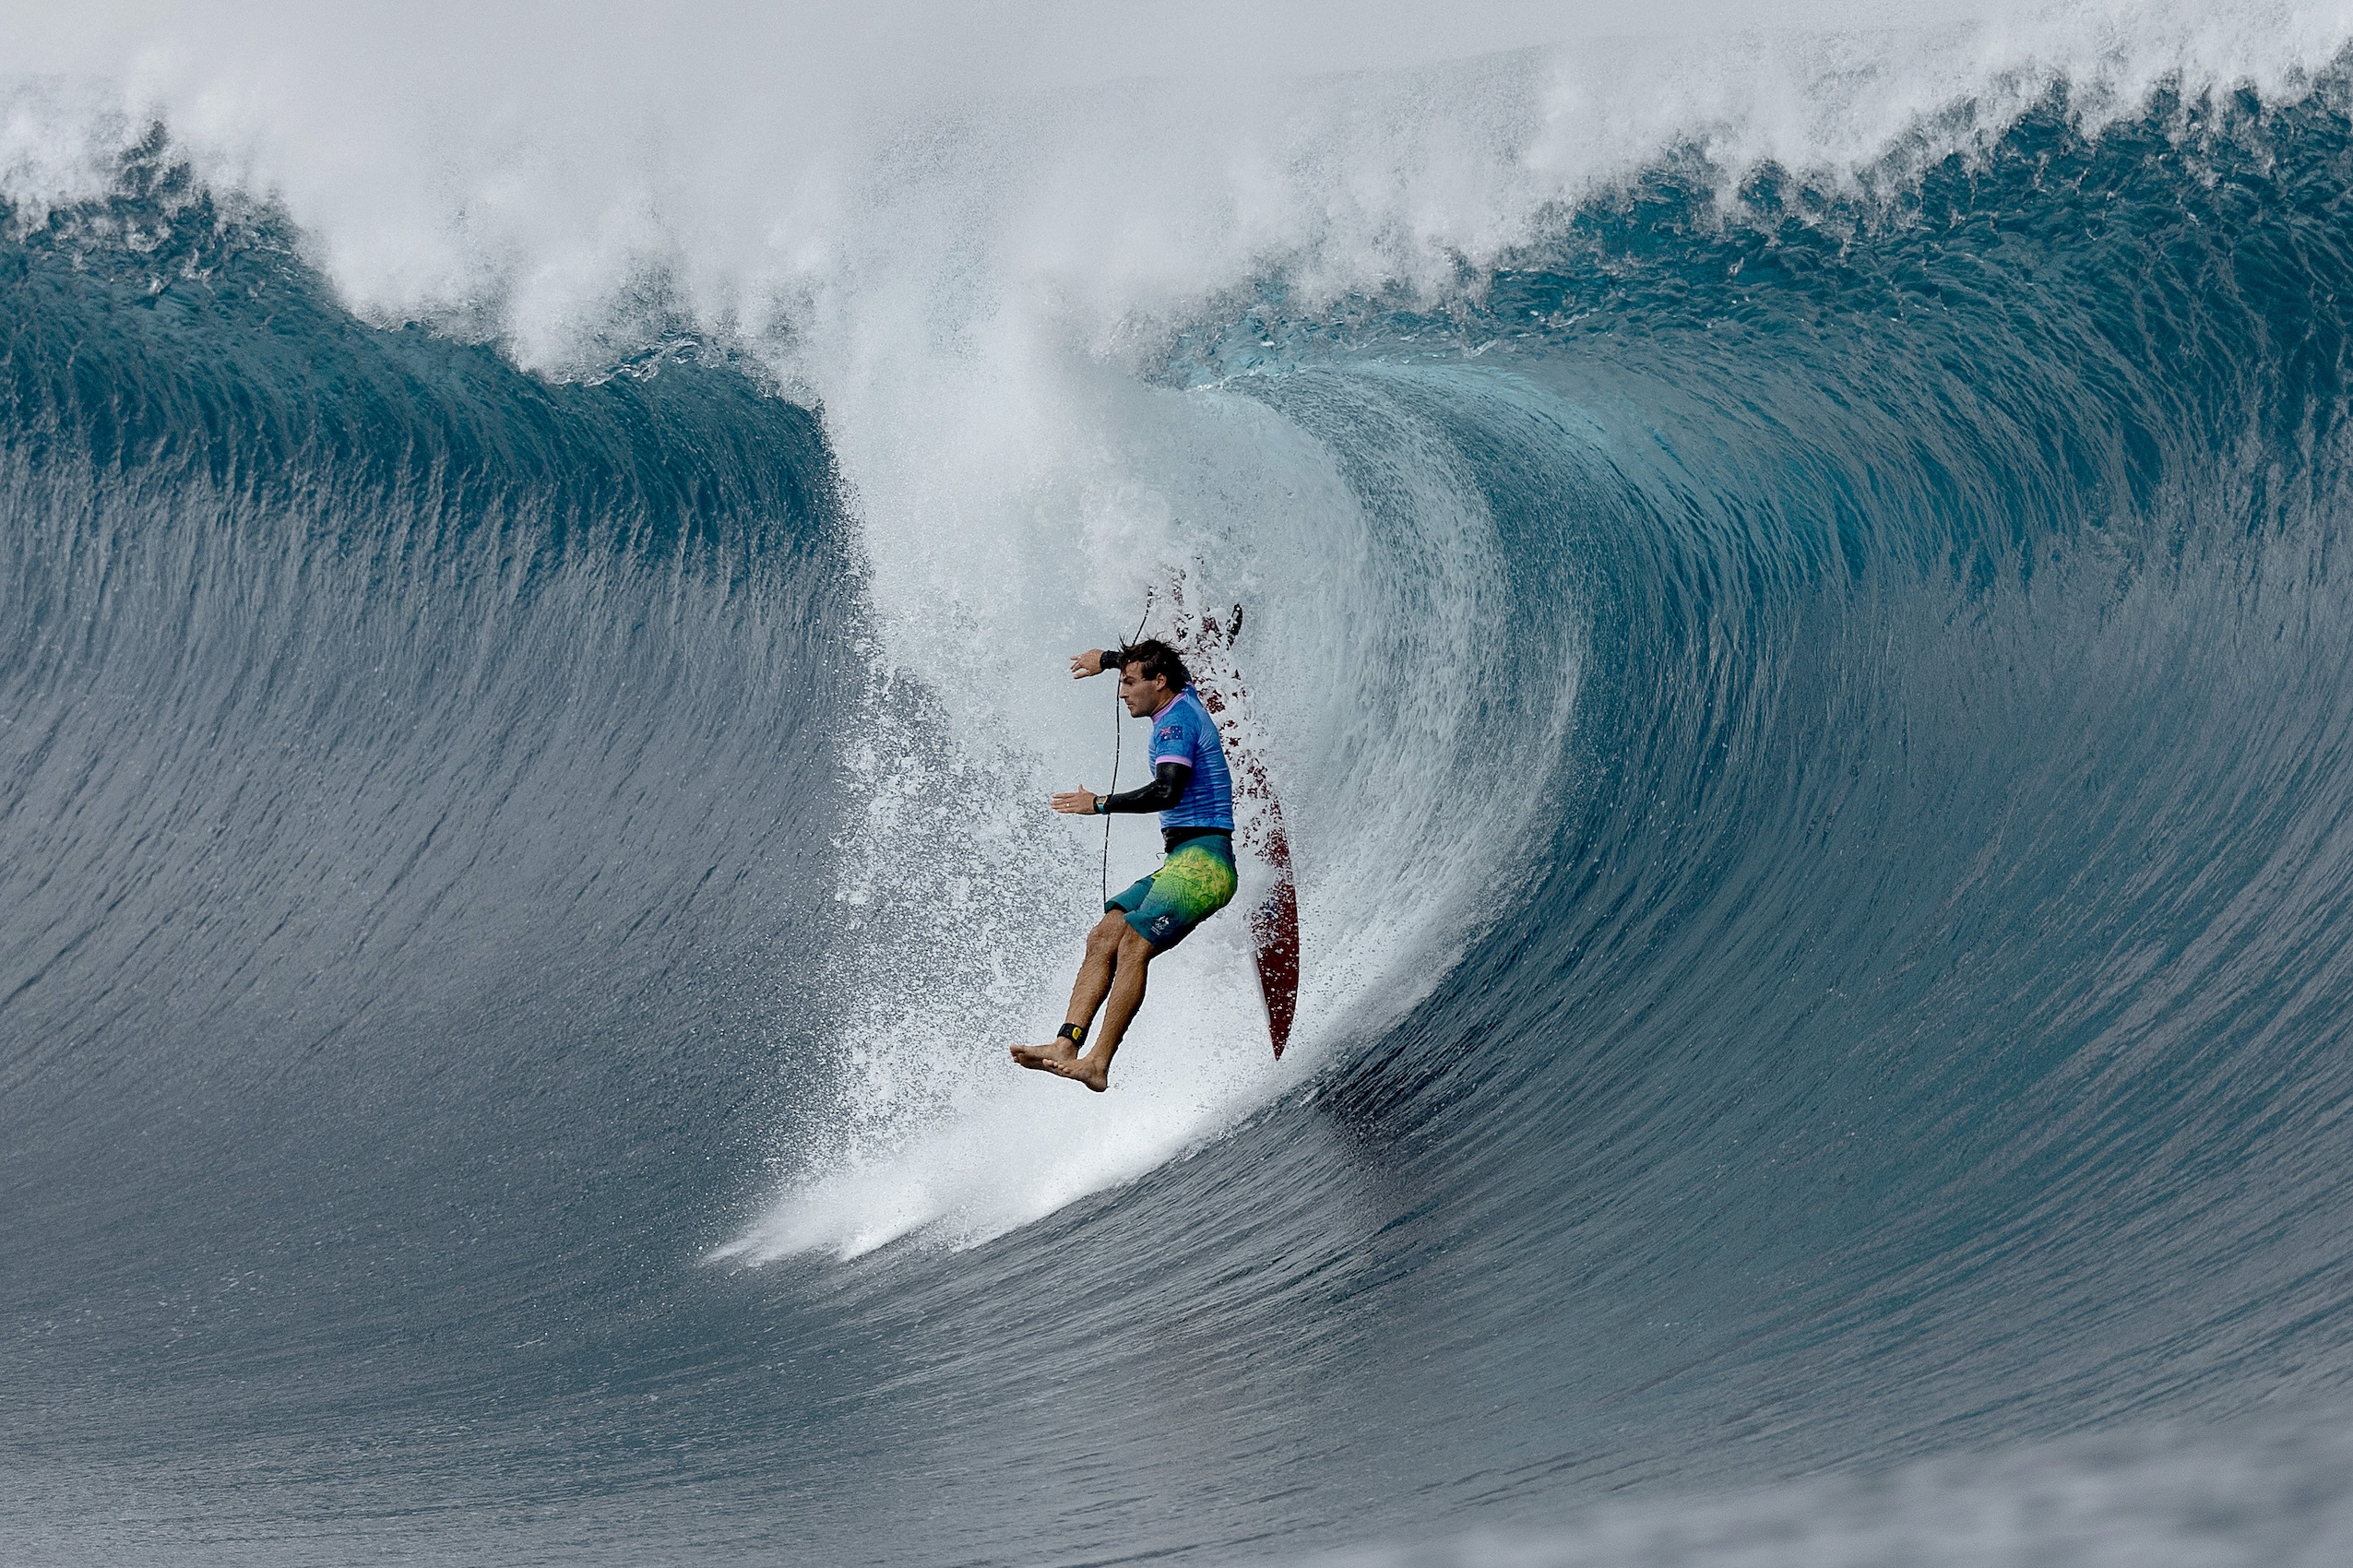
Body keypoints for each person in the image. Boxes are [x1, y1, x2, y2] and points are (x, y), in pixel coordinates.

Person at [1010, 637, 1237, 1091]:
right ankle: (1066, 1045)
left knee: (1134, 943)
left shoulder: (1176, 726)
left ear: (1159, 682)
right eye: (1122, 681)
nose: (1122, 692)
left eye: (1129, 683)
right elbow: (1158, 669)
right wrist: (1108, 661)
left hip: (1206, 863)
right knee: (1104, 935)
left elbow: (1167, 791)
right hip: (1179, 861)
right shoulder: (1180, 694)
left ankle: (1098, 1062)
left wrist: (1099, 803)